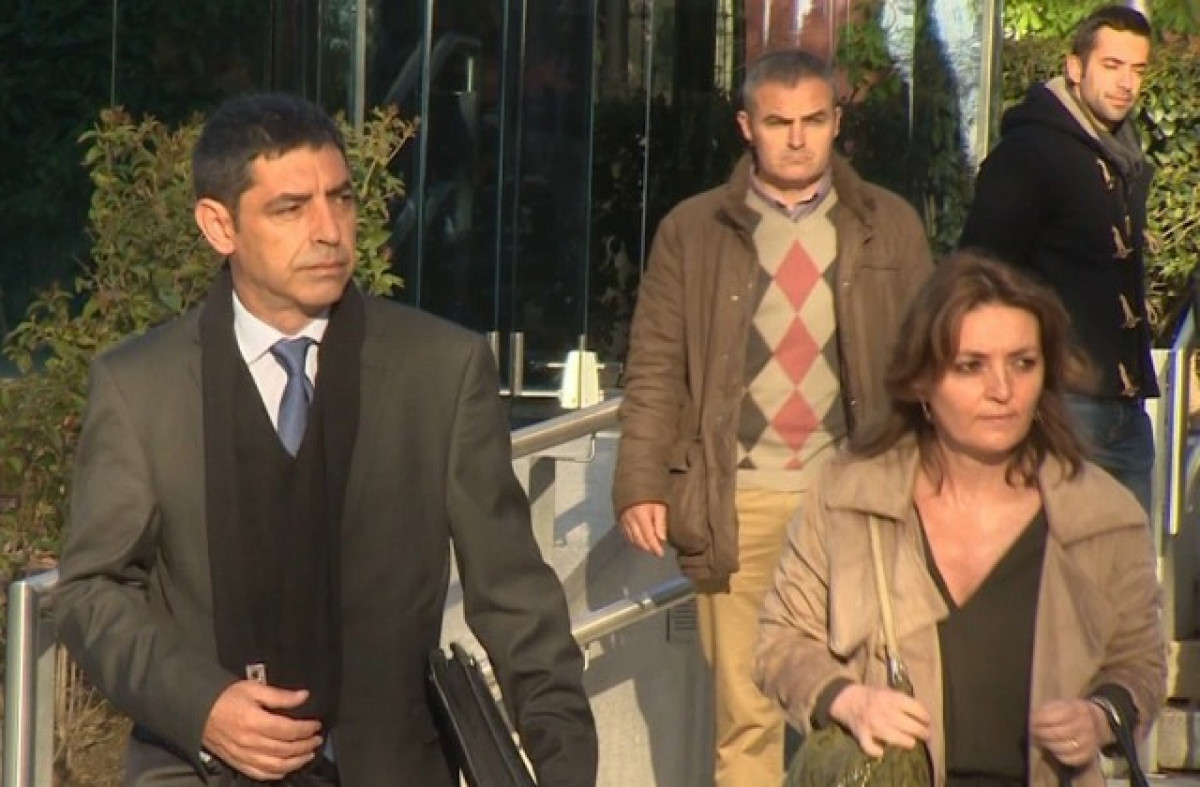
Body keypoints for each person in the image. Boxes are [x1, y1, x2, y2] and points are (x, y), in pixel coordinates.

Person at [53, 93, 597, 786]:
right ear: (219, 225)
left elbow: (515, 596)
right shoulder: (141, 386)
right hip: (196, 769)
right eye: (290, 208)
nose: (329, 231)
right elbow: (92, 589)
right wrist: (202, 706)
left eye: (340, 200)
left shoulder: (438, 369)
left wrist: (564, 767)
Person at [612, 49, 933, 786]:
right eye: (778, 122)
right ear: (746, 126)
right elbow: (656, 362)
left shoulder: (889, 225)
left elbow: (929, 362)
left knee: (872, 710)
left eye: (813, 120)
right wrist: (640, 482)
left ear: (837, 123)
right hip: (739, 497)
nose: (796, 138)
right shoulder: (694, 230)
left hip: (858, 496)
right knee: (748, 719)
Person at [755, 251, 1166, 786]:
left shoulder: (1104, 517)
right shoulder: (848, 499)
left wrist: (1098, 717)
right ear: (921, 381)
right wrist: (848, 700)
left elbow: (1141, 666)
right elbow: (782, 642)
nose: (1002, 390)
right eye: (971, 366)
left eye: (1023, 363)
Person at [960, 4, 1155, 511]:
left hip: (1125, 410)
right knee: (1057, 554)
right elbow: (979, 277)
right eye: (1112, 65)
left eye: (1137, 69)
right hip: (1058, 405)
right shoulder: (1028, 155)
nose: (1126, 83)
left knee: (1131, 557)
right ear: (1074, 67)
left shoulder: (1124, 155)